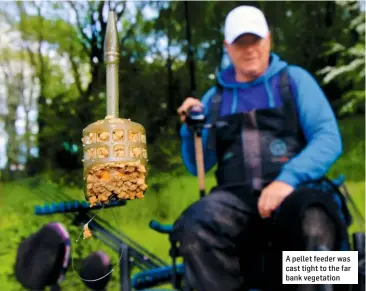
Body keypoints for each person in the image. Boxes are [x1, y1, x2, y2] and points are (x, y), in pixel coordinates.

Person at [173, 5, 351, 291]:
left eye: (255, 40)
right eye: (240, 43)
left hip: (296, 194)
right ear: (227, 47)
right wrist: (188, 130)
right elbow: (198, 166)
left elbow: (329, 138)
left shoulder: (294, 80)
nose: (249, 50)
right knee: (196, 224)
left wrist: (286, 180)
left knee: (316, 217)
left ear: (268, 39)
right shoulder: (213, 99)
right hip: (236, 202)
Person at [14, 222, 71, 291]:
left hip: (60, 235)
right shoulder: (20, 276)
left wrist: (58, 280)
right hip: (46, 234)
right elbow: (22, 248)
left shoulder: (23, 277)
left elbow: (63, 264)